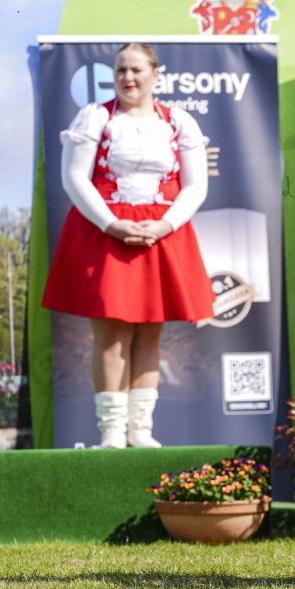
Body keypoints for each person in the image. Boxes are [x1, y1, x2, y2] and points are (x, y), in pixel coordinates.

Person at [42, 42, 215, 449]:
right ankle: (112, 432)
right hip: (105, 232)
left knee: (150, 331)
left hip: (161, 232)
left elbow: (195, 184)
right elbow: (74, 178)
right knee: (111, 331)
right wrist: (111, 223)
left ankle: (140, 430)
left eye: (136, 69)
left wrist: (166, 224)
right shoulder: (96, 117)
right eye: (120, 70)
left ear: (156, 74)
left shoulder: (178, 122)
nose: (128, 77)